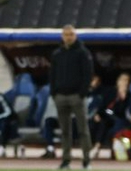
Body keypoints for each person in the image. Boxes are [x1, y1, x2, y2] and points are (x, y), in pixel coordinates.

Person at [49, 25, 93, 170]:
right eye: (66, 34)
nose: (68, 37)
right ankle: (66, 160)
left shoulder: (83, 53)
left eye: (71, 34)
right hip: (60, 96)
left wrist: (82, 93)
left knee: (83, 129)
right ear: (62, 36)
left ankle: (86, 160)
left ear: (75, 36)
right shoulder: (57, 54)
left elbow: (88, 74)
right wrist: (54, 92)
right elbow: (52, 75)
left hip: (76, 96)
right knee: (65, 131)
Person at [0, 91, 18, 158]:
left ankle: (1, 147)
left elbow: (8, 112)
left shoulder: (1, 98)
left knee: (4, 124)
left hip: (7, 119)